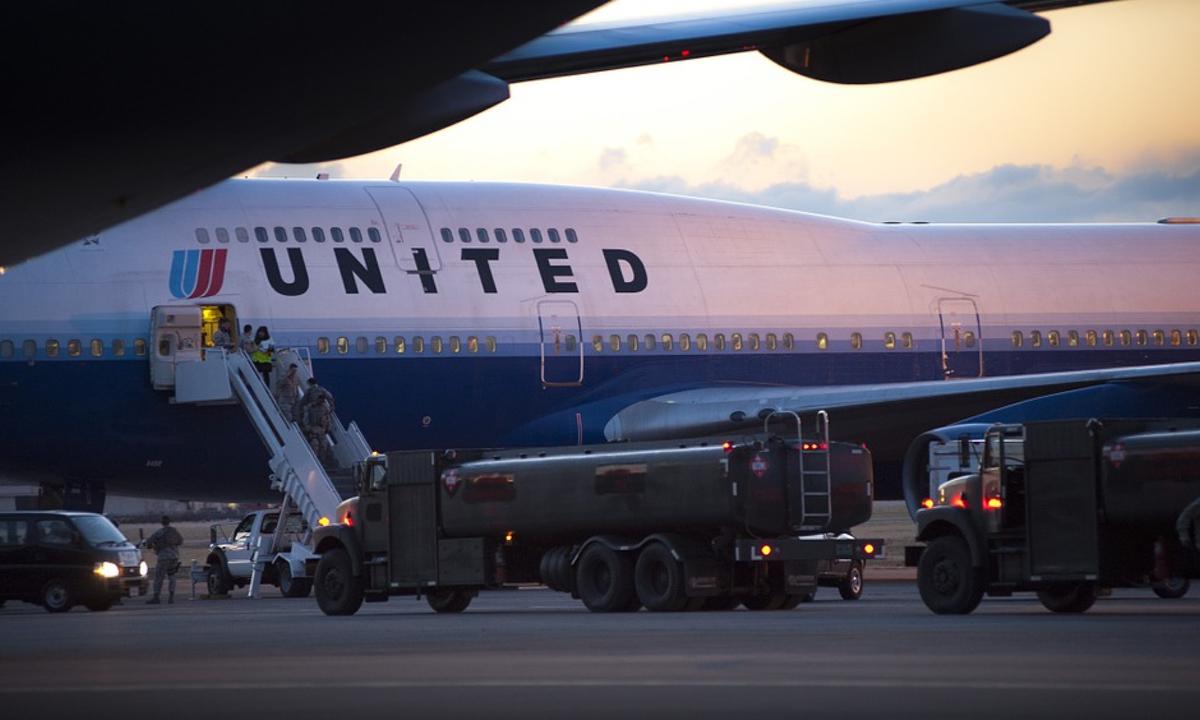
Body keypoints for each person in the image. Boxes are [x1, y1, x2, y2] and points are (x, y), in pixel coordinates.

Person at [143, 515, 184, 605]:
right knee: (172, 576)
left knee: (158, 577)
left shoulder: (159, 532)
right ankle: (171, 597)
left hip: (163, 558)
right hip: (174, 557)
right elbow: (180, 541)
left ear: (162, 522)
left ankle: (156, 597)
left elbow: (149, 543)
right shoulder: (174, 531)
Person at [298, 377, 335, 466]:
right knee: (315, 445)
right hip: (313, 429)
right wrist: (309, 428)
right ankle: (315, 463)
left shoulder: (323, 407)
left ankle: (322, 463)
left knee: (324, 445)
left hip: (320, 429)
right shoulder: (311, 407)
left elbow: (326, 418)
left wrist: (326, 428)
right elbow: (306, 420)